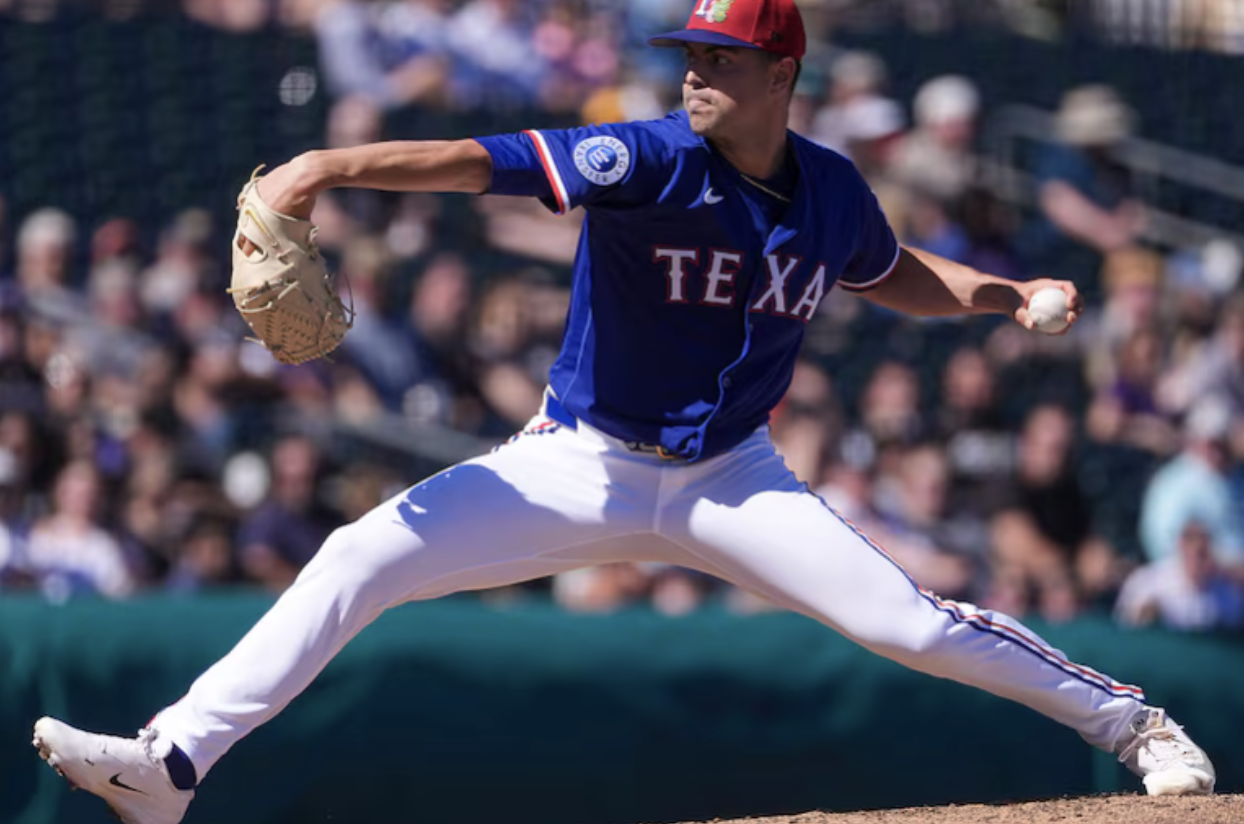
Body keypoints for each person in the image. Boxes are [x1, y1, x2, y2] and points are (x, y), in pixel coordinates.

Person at [32, 2, 1214, 821]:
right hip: (575, 459)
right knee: (358, 554)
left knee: (904, 625)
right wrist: (319, 169)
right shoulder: (642, 157)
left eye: (720, 57)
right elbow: (468, 159)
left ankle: (1133, 723)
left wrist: (1004, 295)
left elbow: (889, 269)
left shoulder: (832, 189)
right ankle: (172, 759)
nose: (693, 70)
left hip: (730, 478)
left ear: (780, 75)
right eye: (688, 52)